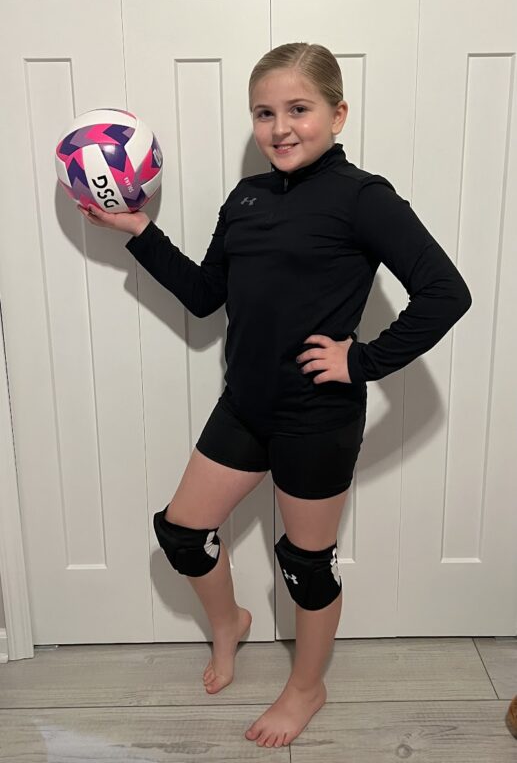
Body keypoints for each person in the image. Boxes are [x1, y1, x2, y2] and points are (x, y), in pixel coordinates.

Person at [78, 42, 472, 748]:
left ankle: (307, 686)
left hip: (317, 416)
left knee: (304, 564)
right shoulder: (246, 198)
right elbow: (206, 295)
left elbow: (446, 292)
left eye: (298, 109)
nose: (280, 127)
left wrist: (363, 361)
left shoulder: (363, 197)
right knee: (181, 533)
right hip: (245, 403)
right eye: (264, 113)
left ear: (337, 114)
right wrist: (138, 230)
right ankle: (229, 623)